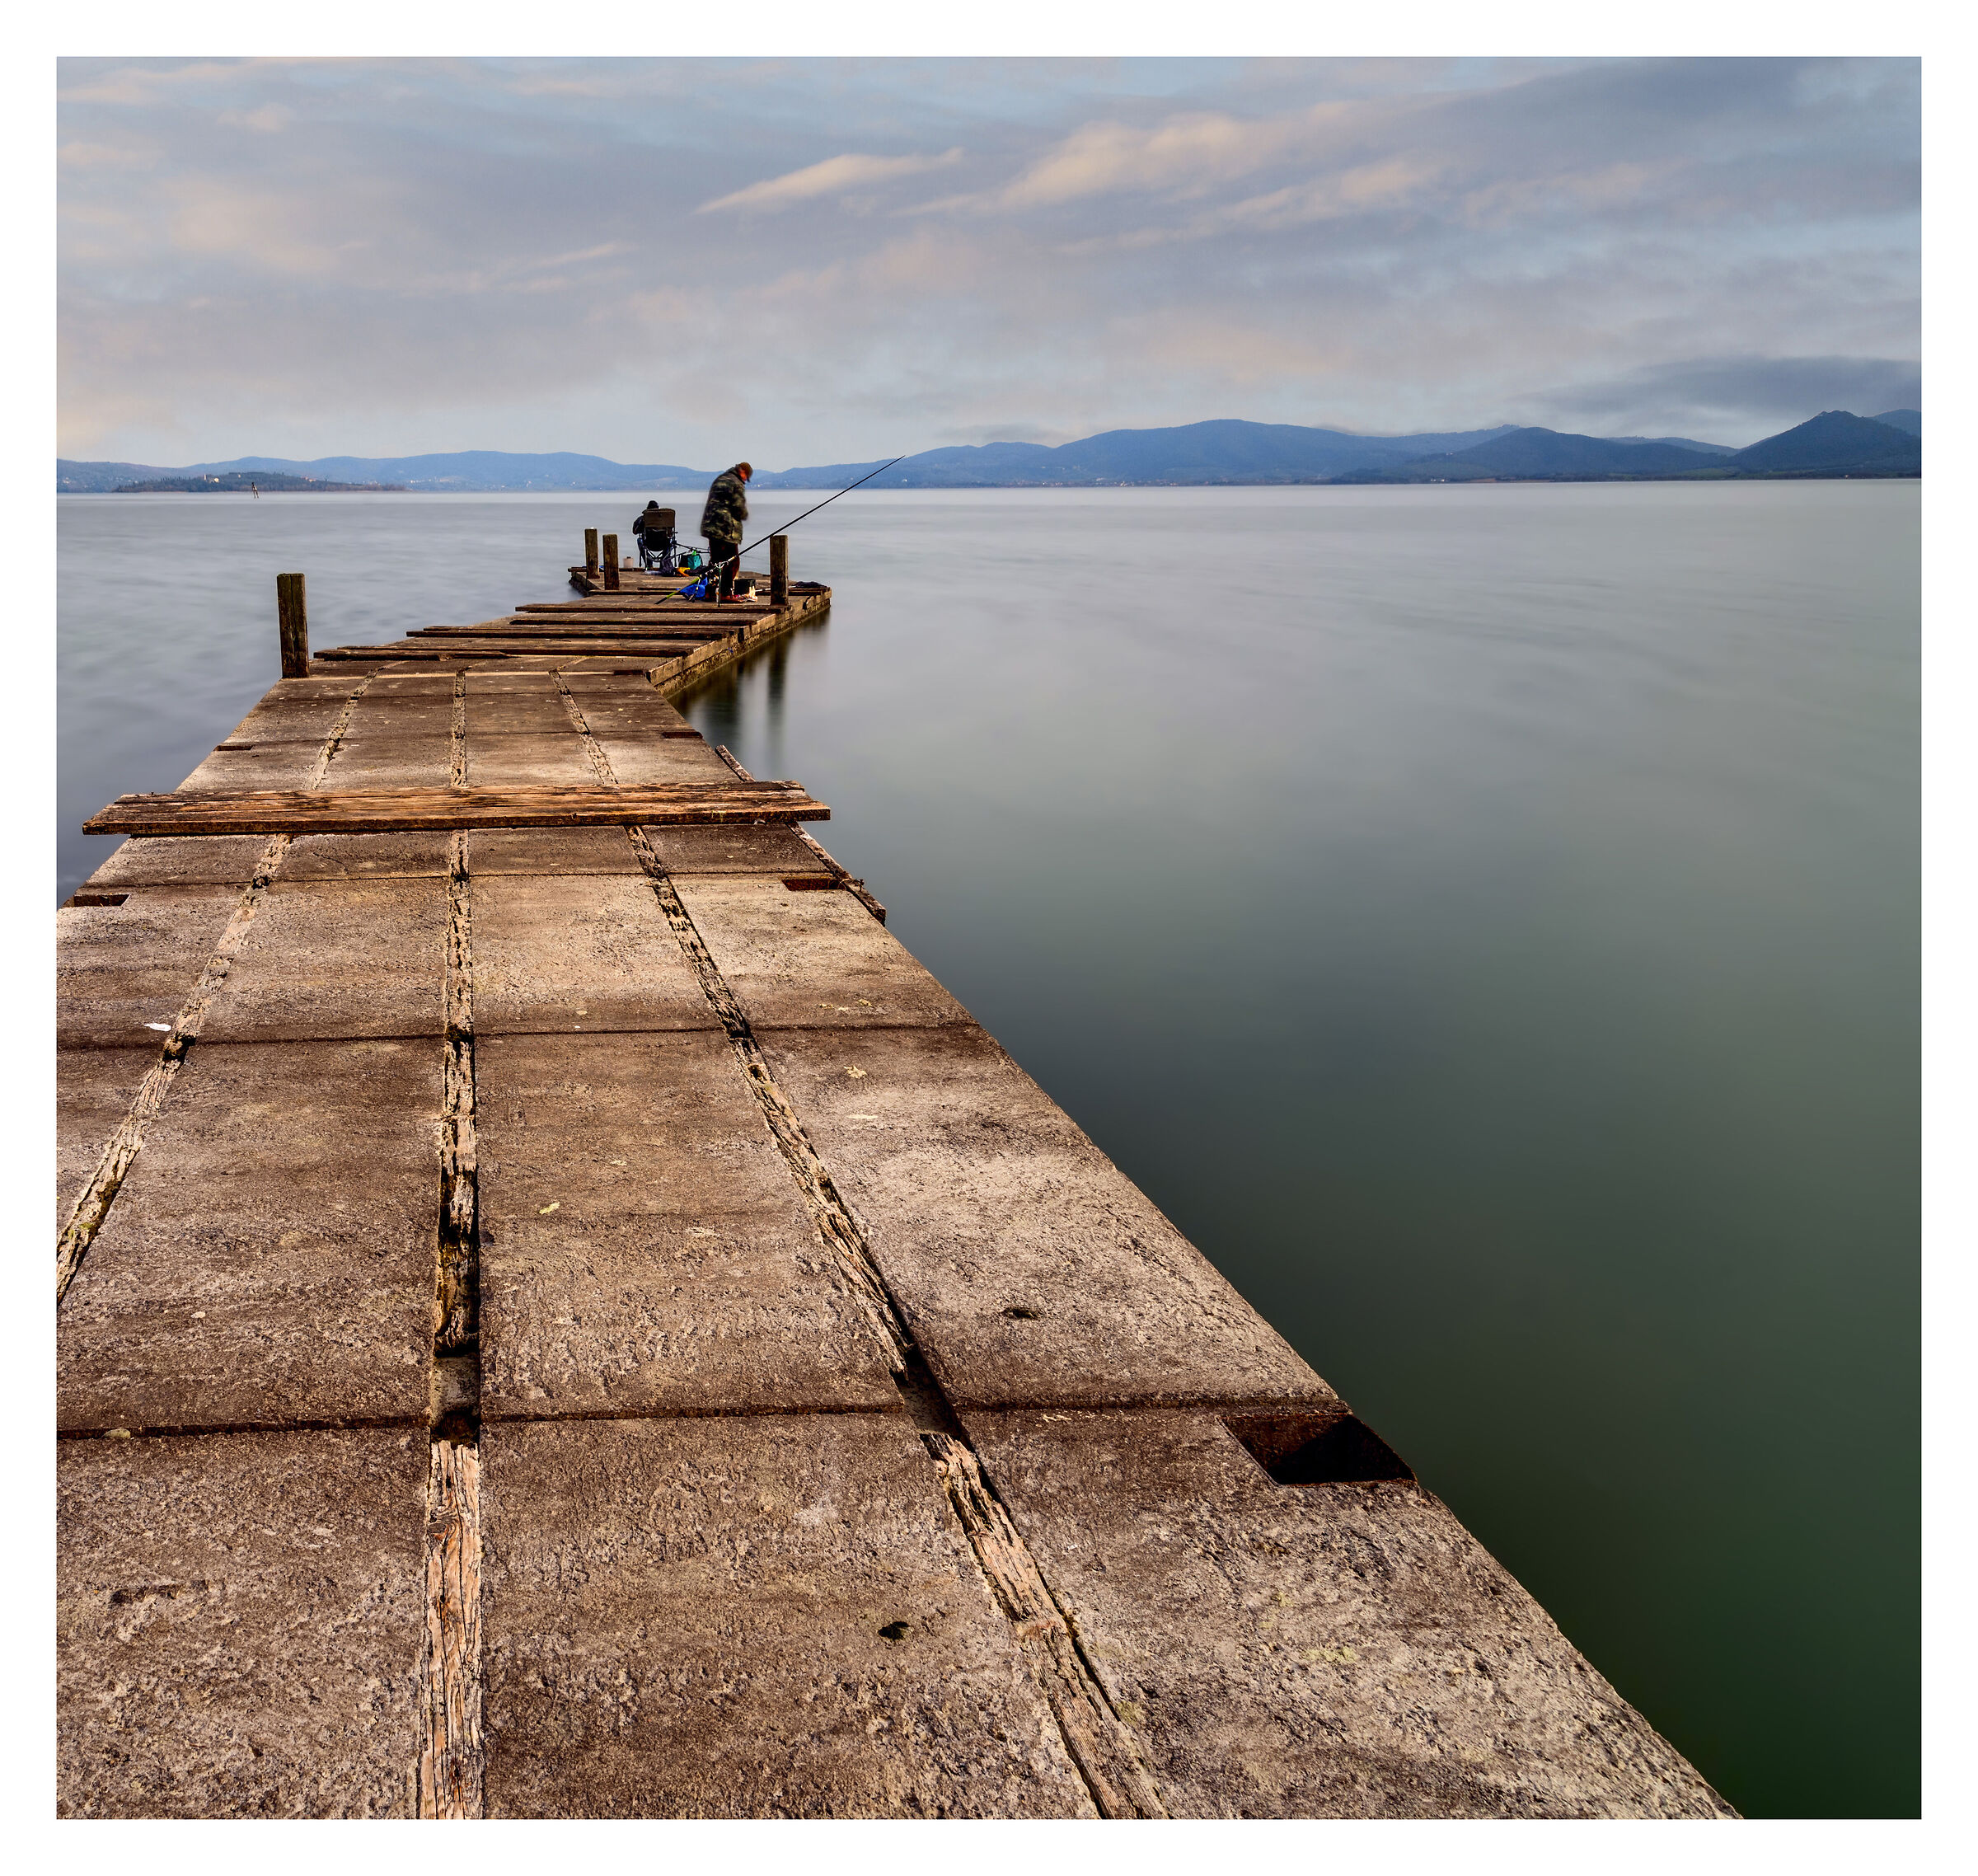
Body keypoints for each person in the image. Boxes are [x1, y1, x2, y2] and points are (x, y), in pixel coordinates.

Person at [699, 462, 752, 601]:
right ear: (743, 472)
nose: (745, 480)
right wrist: (745, 515)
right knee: (732, 561)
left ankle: (710, 591)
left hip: (710, 527)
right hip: (726, 530)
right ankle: (725, 593)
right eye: (746, 477)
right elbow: (739, 507)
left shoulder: (720, 479)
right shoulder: (736, 483)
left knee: (715, 561)